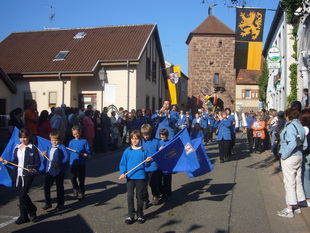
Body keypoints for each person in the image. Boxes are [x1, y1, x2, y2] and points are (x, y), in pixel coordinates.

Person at [0, 128, 41, 224]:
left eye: (25, 137)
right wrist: (5, 161)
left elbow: (37, 161)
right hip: (18, 174)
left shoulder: (33, 148)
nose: (23, 139)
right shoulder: (17, 148)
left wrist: (34, 169)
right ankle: (24, 216)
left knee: (22, 194)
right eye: (21, 137)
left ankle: (32, 210)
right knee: (21, 195)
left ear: (29, 137)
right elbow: (15, 162)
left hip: (28, 174)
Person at [277, 107, 308, 218]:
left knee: (289, 182)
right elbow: (304, 144)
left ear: (288, 116)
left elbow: (292, 143)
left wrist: (284, 156)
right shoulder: (300, 126)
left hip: (290, 157)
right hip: (299, 155)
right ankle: (298, 204)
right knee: (297, 180)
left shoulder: (290, 127)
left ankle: (289, 208)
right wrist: (300, 152)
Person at [119, 130, 151, 224]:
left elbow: (147, 166)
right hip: (130, 176)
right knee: (129, 196)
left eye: (136, 139)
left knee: (139, 196)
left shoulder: (144, 150)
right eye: (132, 139)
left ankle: (140, 215)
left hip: (140, 177)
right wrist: (122, 172)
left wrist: (148, 161)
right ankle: (130, 215)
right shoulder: (127, 151)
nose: (134, 141)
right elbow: (123, 164)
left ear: (140, 139)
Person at [42, 130, 69, 211]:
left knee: (59, 187)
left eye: (56, 140)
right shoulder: (50, 147)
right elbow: (49, 156)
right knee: (46, 186)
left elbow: (66, 157)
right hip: (50, 170)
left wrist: (59, 163)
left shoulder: (62, 147)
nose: (54, 142)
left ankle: (60, 204)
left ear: (60, 140)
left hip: (59, 170)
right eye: (52, 140)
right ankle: (48, 203)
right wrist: (44, 154)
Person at [140, 124, 160, 207]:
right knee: (143, 185)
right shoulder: (140, 142)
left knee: (152, 183)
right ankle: (145, 199)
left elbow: (160, 152)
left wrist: (161, 148)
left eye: (147, 134)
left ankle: (155, 195)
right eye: (144, 135)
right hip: (143, 166)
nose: (146, 136)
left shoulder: (156, 141)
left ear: (151, 133)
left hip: (153, 166)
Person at [68, 125, 90, 199]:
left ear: (80, 132)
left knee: (81, 178)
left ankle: (81, 191)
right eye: (74, 134)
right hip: (73, 162)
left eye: (77, 133)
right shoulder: (71, 142)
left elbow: (88, 150)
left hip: (81, 162)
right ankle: (75, 188)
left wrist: (86, 153)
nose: (76, 135)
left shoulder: (84, 141)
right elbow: (69, 151)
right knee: (72, 177)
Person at [157, 128, 172, 200]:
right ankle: (162, 192)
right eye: (161, 137)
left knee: (167, 179)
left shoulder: (169, 142)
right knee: (159, 179)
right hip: (160, 164)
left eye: (164, 137)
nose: (163, 138)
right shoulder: (158, 142)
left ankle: (168, 192)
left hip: (167, 164)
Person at [300, 108, 310, 207]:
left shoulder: (304, 129)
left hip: (307, 154)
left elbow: (303, 144)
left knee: (306, 176)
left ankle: (308, 198)